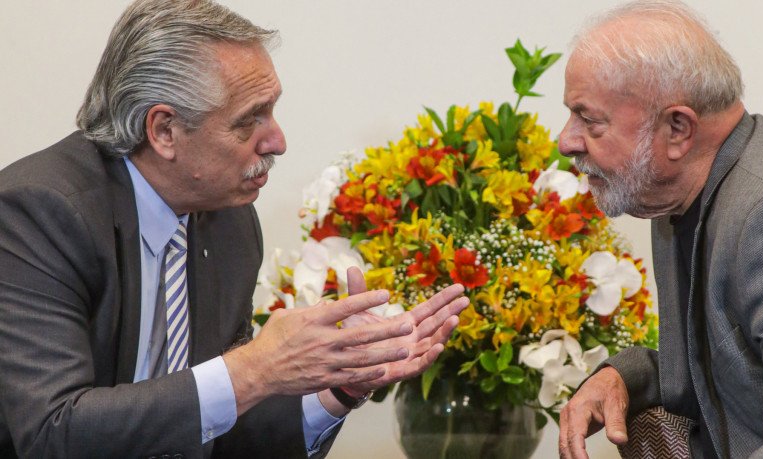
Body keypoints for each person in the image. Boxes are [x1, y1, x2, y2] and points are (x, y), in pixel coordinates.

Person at [0, 0, 469, 457]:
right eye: (250, 120)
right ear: (164, 131)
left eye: (272, 110)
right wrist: (255, 368)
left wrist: (340, 387)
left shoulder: (230, 223)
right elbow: (51, 434)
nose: (278, 141)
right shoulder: (40, 212)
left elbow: (213, 428)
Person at [555, 0, 763, 458]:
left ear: (677, 129)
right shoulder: (675, 194)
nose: (565, 140)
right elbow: (723, 372)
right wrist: (620, 375)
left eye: (589, 119)